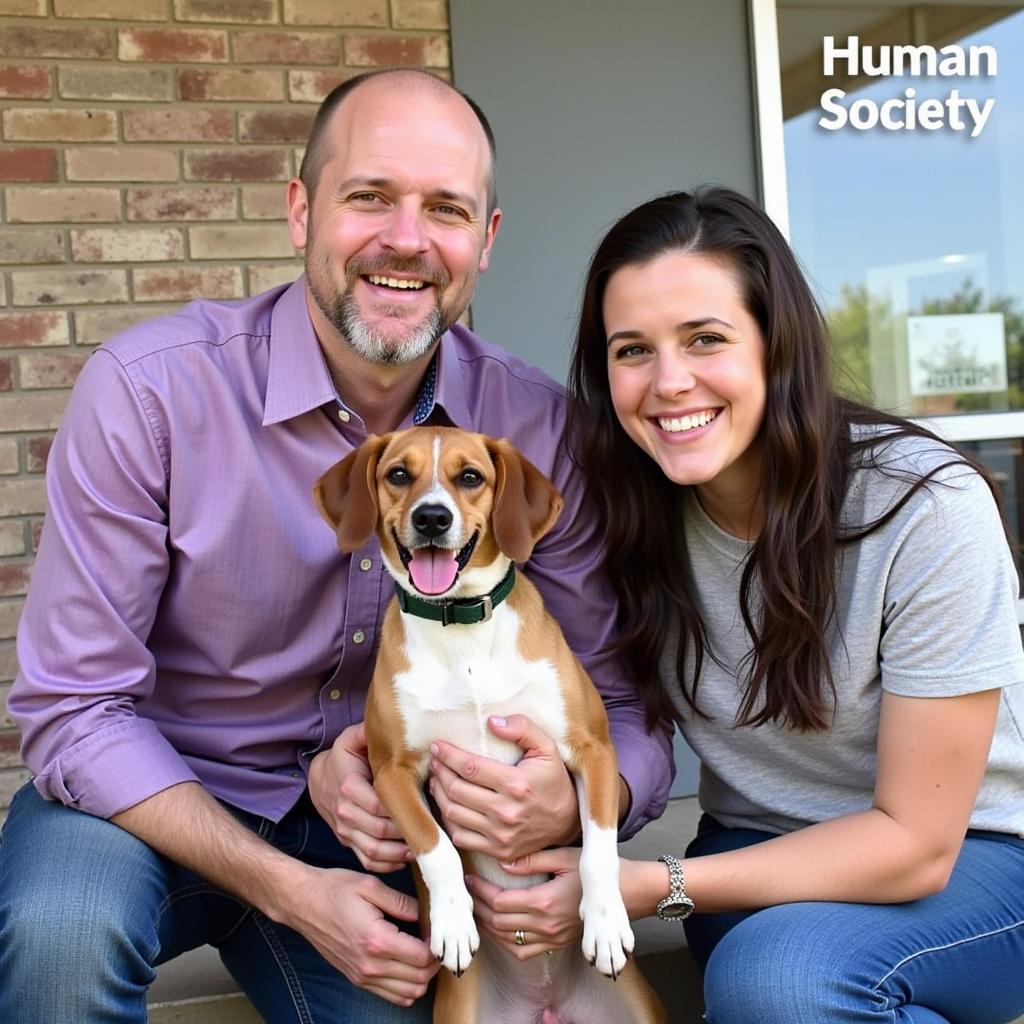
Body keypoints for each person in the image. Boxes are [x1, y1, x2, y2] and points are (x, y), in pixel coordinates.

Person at [0, 70, 673, 1024]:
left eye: (445, 208)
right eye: (369, 196)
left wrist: (569, 805)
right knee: (62, 934)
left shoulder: (533, 427)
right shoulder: (150, 393)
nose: (406, 238)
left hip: (389, 838)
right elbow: (75, 708)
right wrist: (286, 887)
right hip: (162, 801)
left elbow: (617, 698)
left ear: (484, 241)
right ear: (301, 210)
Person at [469, 187, 1024, 1024]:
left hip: (980, 861)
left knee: (779, 980)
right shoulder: (619, 511)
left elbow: (917, 844)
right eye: (632, 351)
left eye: (706, 339)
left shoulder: (923, 504)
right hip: (754, 852)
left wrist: (649, 886)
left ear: (776, 346)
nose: (669, 382)